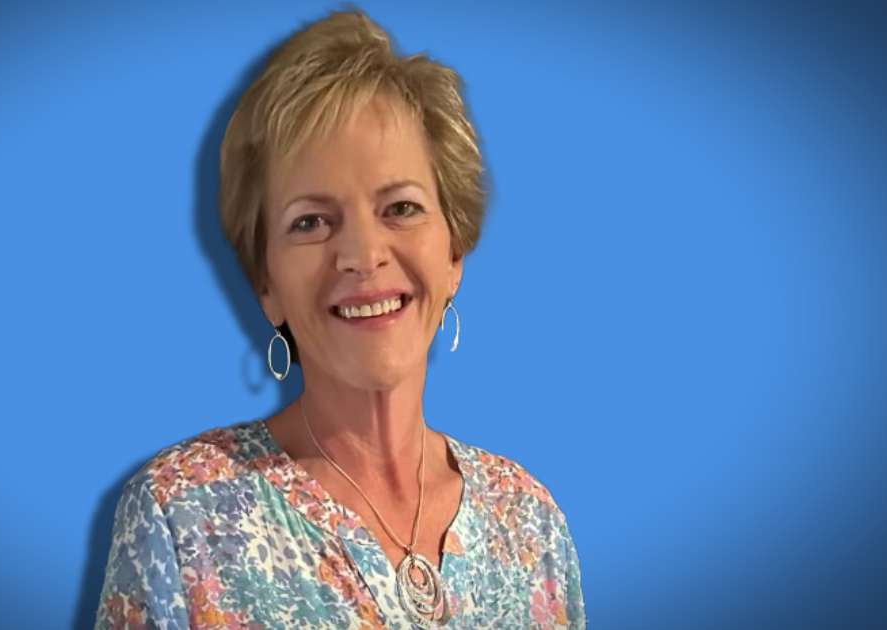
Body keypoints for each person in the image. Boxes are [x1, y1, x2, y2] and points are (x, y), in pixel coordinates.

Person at [95, 8, 585, 630]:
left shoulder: (531, 523)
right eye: (310, 222)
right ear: (265, 285)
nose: (362, 254)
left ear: (454, 253)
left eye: (400, 207)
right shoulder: (180, 516)